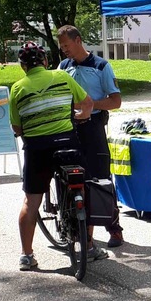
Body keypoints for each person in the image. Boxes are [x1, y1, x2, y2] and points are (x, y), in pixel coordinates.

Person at [9, 41, 108, 270]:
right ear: (45, 61)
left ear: (23, 67)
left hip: (37, 149)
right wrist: (82, 116)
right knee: (83, 187)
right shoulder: (63, 77)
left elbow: (17, 128)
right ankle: (89, 245)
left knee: (31, 201)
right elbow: (87, 103)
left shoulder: (17, 88)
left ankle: (27, 255)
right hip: (67, 144)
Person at [57, 25, 124, 248]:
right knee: (74, 178)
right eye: (61, 46)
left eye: (66, 45)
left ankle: (114, 229)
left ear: (78, 40)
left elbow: (116, 101)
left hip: (93, 126)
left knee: (100, 179)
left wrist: (89, 105)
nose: (64, 50)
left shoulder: (101, 66)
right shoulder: (63, 67)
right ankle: (80, 232)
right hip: (70, 127)